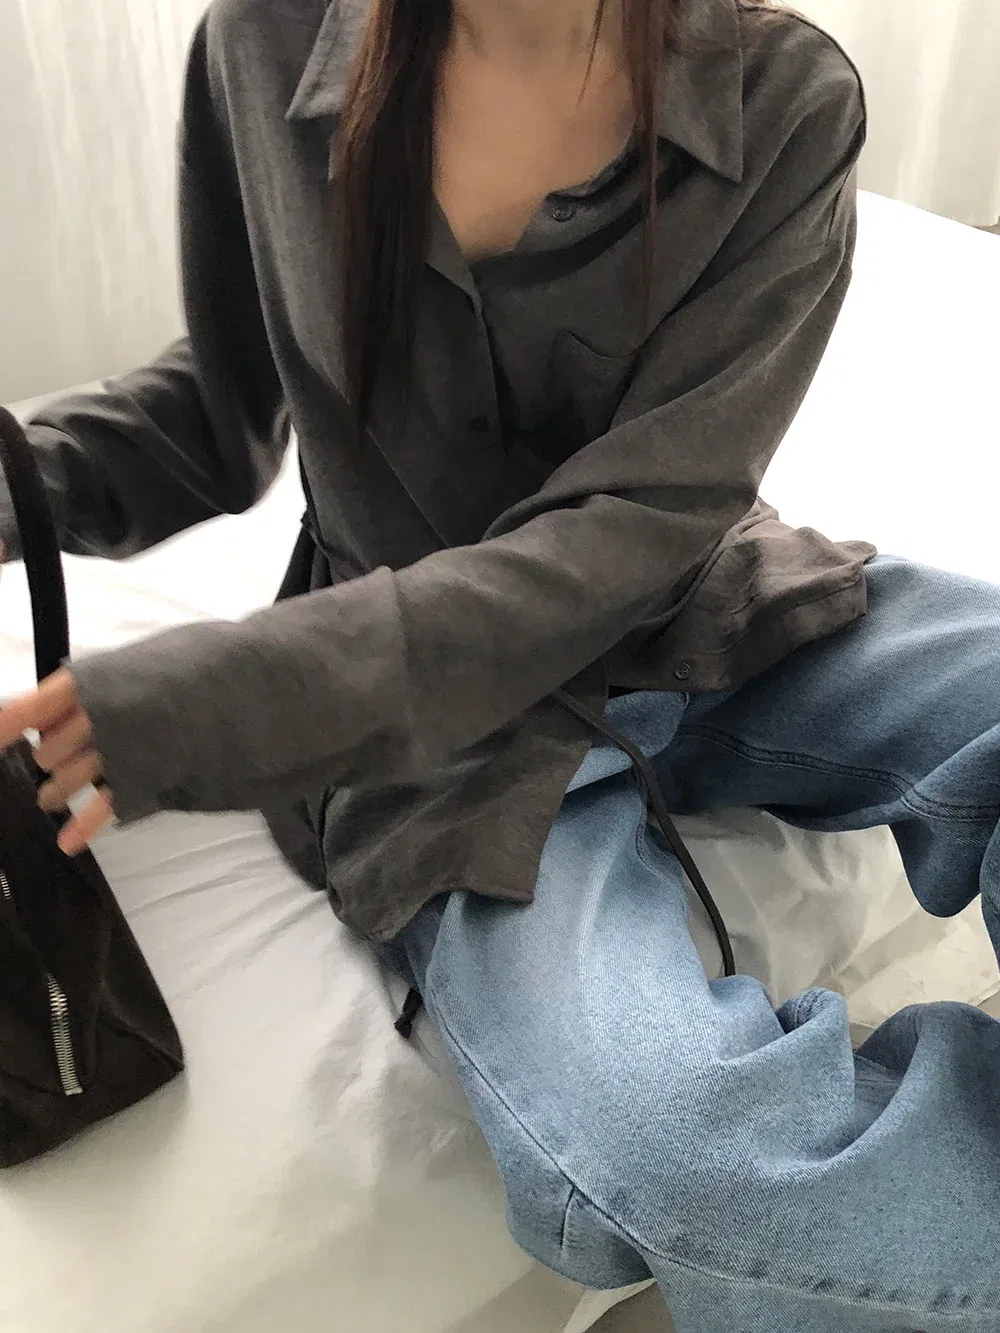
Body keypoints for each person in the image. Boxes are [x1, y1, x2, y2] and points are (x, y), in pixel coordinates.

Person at [1, 0, 999, 1327]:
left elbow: (645, 520)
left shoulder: (782, 97)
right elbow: (218, 409)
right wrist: (23, 480)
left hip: (709, 618)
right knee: (677, 1151)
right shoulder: (262, 46)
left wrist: (229, 700)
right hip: (433, 751)